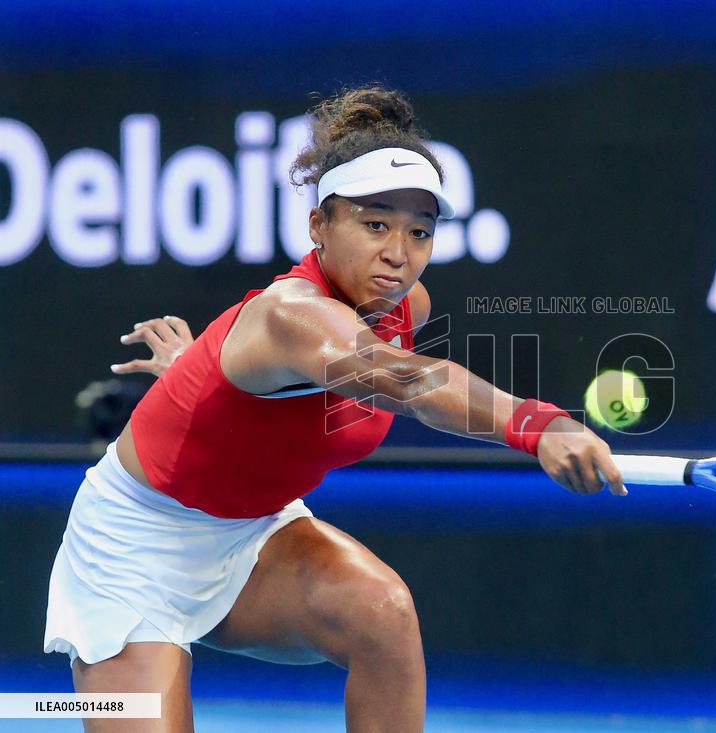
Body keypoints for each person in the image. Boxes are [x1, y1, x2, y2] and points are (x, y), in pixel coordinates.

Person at [43, 86, 626, 733]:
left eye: (420, 231)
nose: (399, 252)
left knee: (384, 613)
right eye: (375, 224)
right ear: (319, 224)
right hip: (132, 550)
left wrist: (193, 375)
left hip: (252, 535)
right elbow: (404, 381)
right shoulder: (293, 312)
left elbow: (265, 377)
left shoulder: (409, 305)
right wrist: (535, 423)